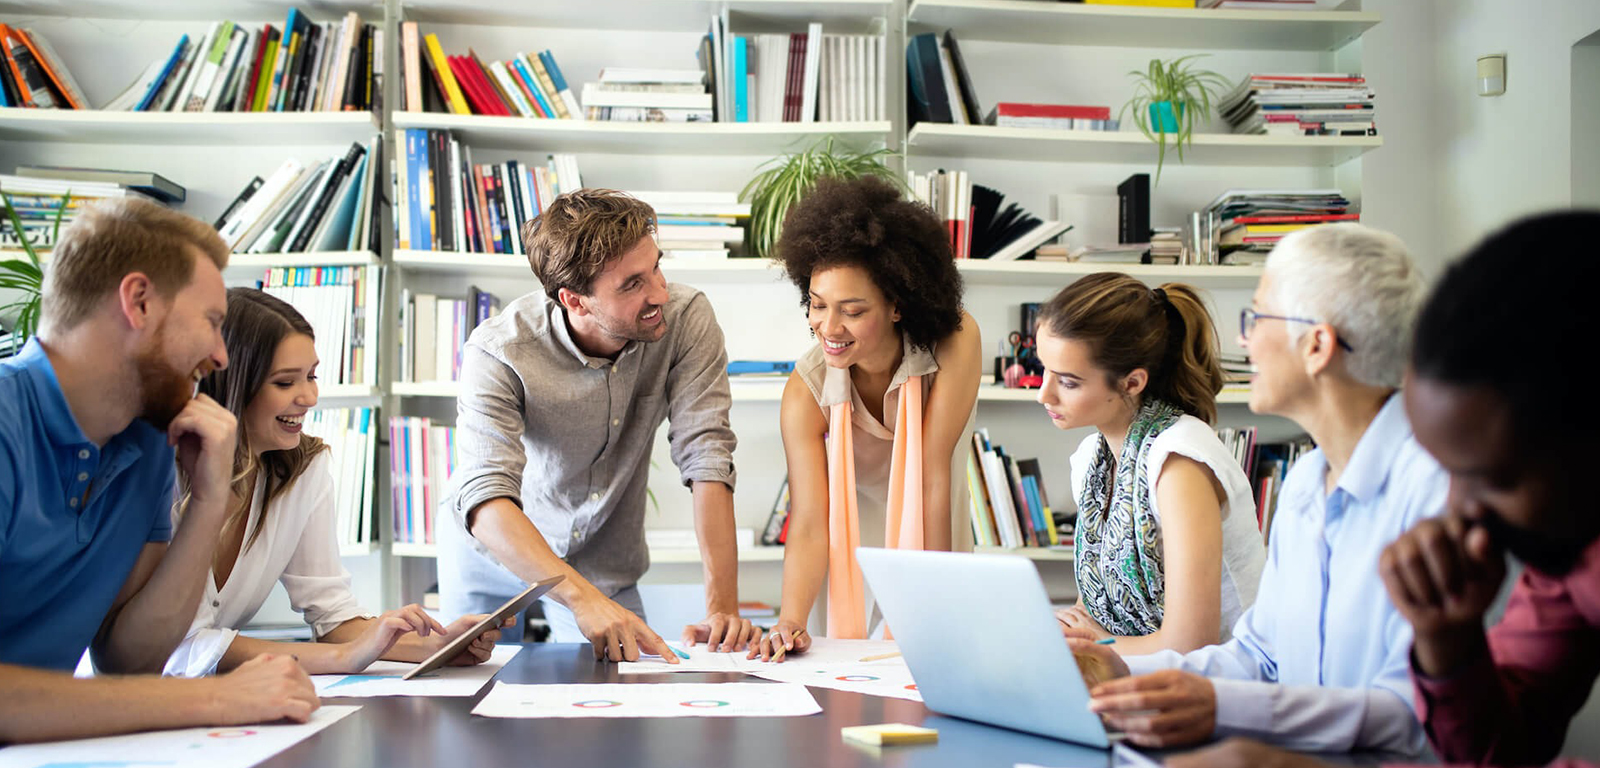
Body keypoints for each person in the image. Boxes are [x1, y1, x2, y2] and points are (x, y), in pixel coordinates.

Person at [1070, 223, 1442, 754]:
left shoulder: (1433, 493)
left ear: (1317, 346)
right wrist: (1122, 668)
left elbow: (1414, 712)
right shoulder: (1307, 484)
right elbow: (1258, 656)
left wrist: (1221, 707)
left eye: (1257, 317)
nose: (1244, 340)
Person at [0, 198, 317, 743]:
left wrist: (209, 502)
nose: (221, 356)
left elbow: (129, 660)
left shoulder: (146, 439)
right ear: (139, 302)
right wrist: (218, 697)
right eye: (212, 322)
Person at [439, 188, 755, 662]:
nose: (660, 293)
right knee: (472, 695)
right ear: (575, 300)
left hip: (603, 557)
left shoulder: (686, 320)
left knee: (632, 691)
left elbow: (707, 455)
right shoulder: (499, 350)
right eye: (632, 284)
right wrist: (581, 599)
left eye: (657, 268)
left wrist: (722, 611)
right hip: (494, 552)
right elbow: (485, 493)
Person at [164, 288, 506, 677]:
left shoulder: (303, 470)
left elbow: (334, 619)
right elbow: (183, 647)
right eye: (284, 383)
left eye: (312, 376)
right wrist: (345, 659)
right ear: (233, 385)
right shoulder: (167, 475)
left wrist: (435, 646)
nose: (309, 397)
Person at [751, 176, 982, 661]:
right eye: (816, 306)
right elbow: (812, 520)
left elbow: (932, 478)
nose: (828, 329)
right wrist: (789, 619)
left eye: (852, 311)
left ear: (898, 305)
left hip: (934, 527)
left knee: (935, 662)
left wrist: (933, 608)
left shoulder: (954, 343)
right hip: (846, 547)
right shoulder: (805, 391)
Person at [1034, 273, 1264, 656]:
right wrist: (1067, 630)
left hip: (1221, 685)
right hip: (1138, 675)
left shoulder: (1179, 463)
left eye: (1068, 382)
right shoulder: (1092, 460)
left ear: (1132, 382)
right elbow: (1091, 611)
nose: (1044, 393)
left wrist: (1091, 644)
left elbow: (1190, 645)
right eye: (1043, 369)